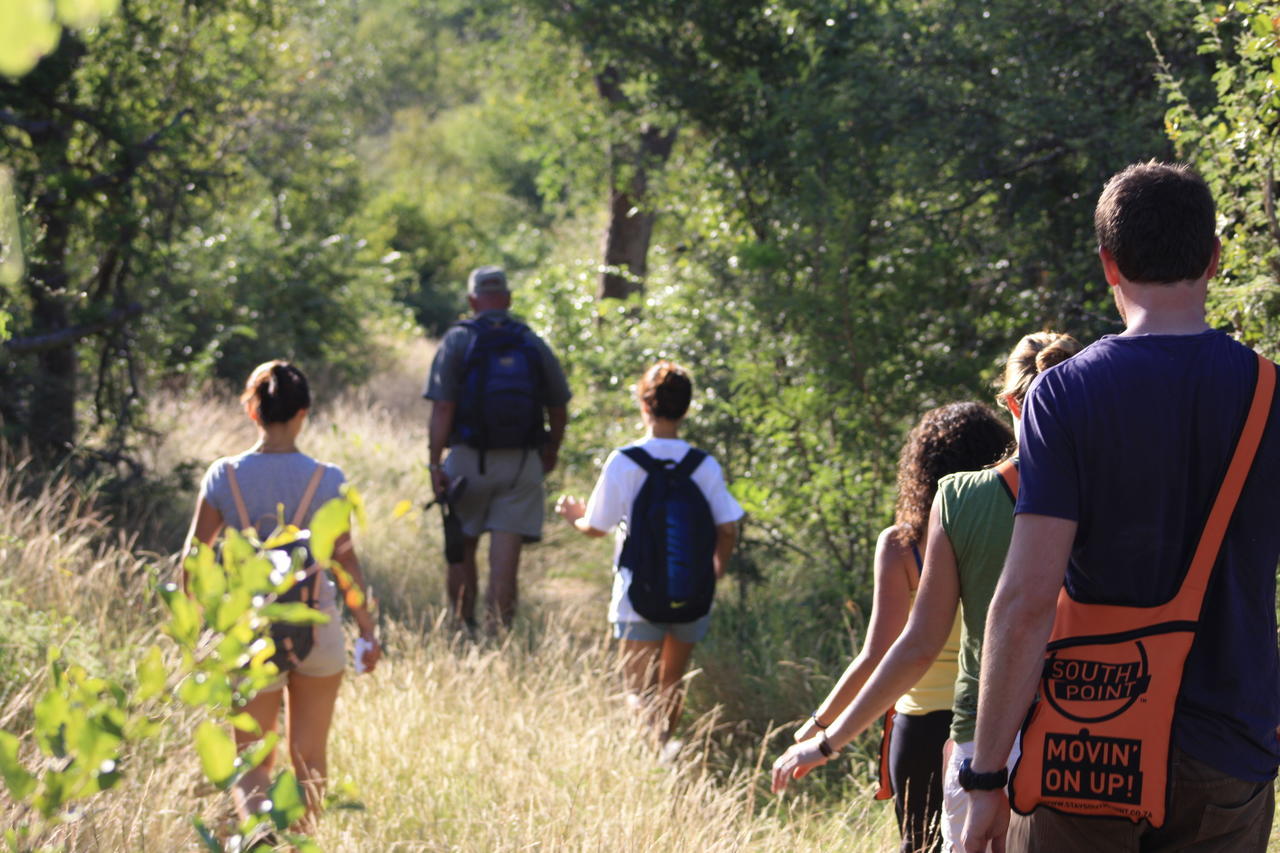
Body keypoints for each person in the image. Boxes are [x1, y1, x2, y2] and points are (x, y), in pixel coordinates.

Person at [962, 162, 1280, 853]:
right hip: (1228, 749)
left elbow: (1024, 601)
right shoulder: (1268, 395)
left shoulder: (1063, 397)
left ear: (1109, 264)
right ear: (1215, 259)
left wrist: (987, 775)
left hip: (1087, 743)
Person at [771, 332, 1080, 853]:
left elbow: (912, 646)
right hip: (1086, 731)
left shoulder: (960, 499)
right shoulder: (1120, 492)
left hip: (982, 746)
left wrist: (826, 739)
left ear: (1009, 403)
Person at [790, 402, 1016, 853]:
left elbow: (878, 653)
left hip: (920, 726)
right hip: (994, 720)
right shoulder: (1016, 528)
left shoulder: (900, 546)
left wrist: (821, 725)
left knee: (923, 845)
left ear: (921, 467)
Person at [183, 360, 381, 831]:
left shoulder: (223, 475)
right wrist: (368, 631)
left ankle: (256, 840)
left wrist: (194, 634)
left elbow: (193, 562)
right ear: (304, 413)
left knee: (253, 761)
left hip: (248, 634)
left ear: (252, 411)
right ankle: (302, 843)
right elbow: (346, 564)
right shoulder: (329, 479)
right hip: (318, 628)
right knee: (310, 757)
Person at [554, 361, 743, 746]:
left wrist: (575, 517)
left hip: (637, 595)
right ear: (687, 409)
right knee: (672, 682)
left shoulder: (624, 461)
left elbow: (597, 527)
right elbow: (727, 528)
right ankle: (665, 746)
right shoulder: (703, 465)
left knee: (637, 690)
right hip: (692, 593)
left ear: (644, 404)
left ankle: (653, 754)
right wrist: (714, 572)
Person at [424, 266, 572, 631]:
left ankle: (463, 630)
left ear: (473, 300)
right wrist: (551, 448)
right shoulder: (531, 341)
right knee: (506, 557)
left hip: (468, 461)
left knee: (462, 550)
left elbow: (443, 407)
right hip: (522, 464)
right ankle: (499, 637)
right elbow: (559, 405)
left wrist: (434, 464)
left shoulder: (458, 341)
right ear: (507, 298)